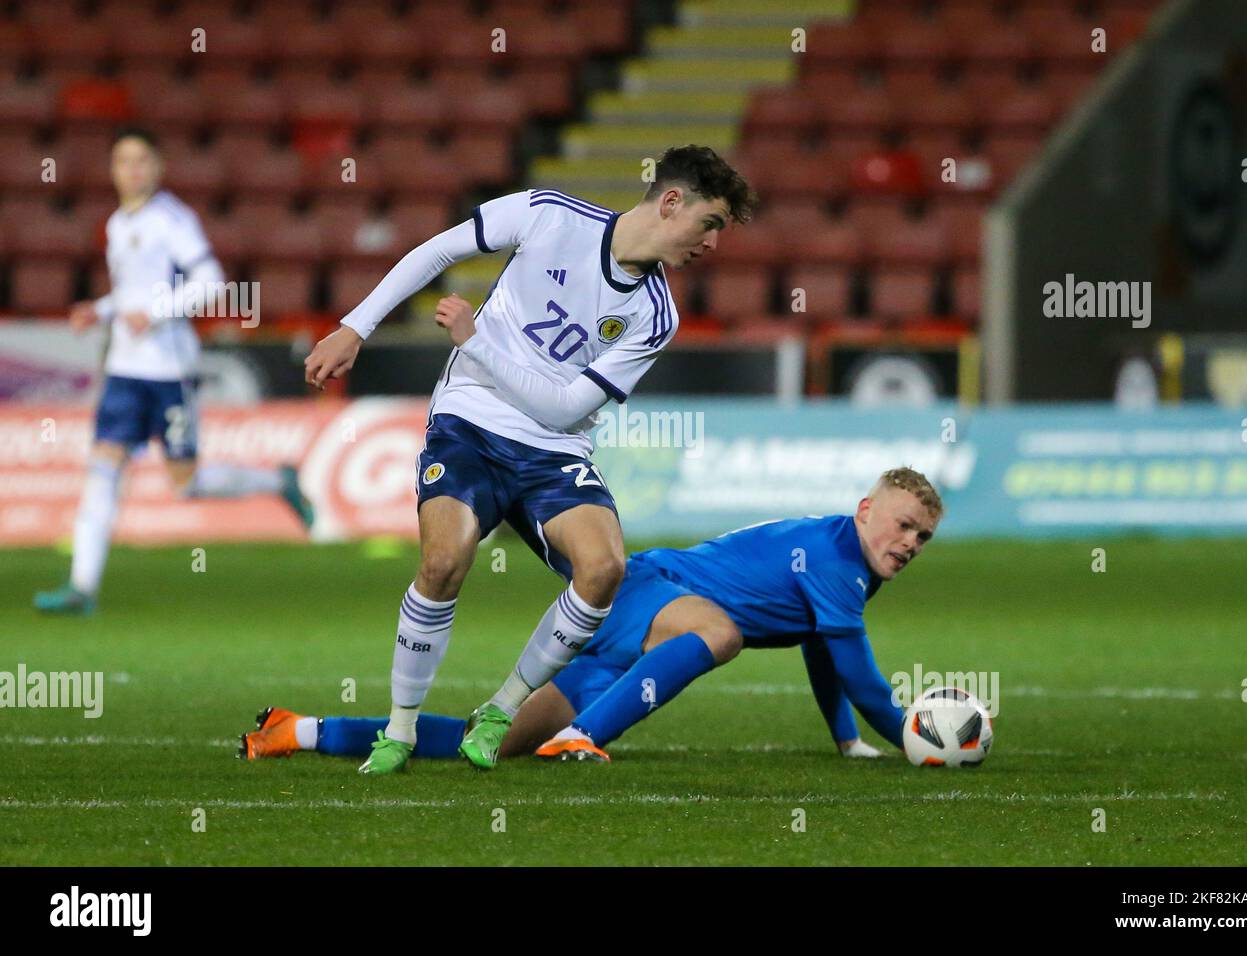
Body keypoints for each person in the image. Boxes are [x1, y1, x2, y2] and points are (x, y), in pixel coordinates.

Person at [302, 145, 757, 772]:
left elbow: (567, 408)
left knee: (603, 569)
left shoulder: (655, 314)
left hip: (554, 447)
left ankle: (499, 710)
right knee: (442, 560)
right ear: (672, 201)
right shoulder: (549, 214)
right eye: (710, 224)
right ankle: (399, 731)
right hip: (470, 419)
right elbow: (438, 250)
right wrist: (356, 326)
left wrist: (479, 344)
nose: (711, 244)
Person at [239, 468, 941, 765]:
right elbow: (868, 684)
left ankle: (296, 731)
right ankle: (581, 736)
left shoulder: (849, 568)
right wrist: (915, 735)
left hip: (641, 622)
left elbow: (825, 651)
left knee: (493, 742)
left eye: (922, 538)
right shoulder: (836, 562)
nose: (909, 545)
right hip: (649, 591)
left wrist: (847, 743)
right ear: (866, 511)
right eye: (904, 526)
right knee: (719, 632)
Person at [34, 127, 313, 616]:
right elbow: (131, 291)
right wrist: (100, 311)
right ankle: (81, 588)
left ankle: (277, 482)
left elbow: (212, 282)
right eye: (123, 161)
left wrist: (158, 312)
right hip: (124, 368)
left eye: (142, 161)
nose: (132, 170)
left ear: (157, 167)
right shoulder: (120, 223)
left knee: (186, 484)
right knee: (103, 468)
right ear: (113, 169)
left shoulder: (172, 219)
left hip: (167, 369)